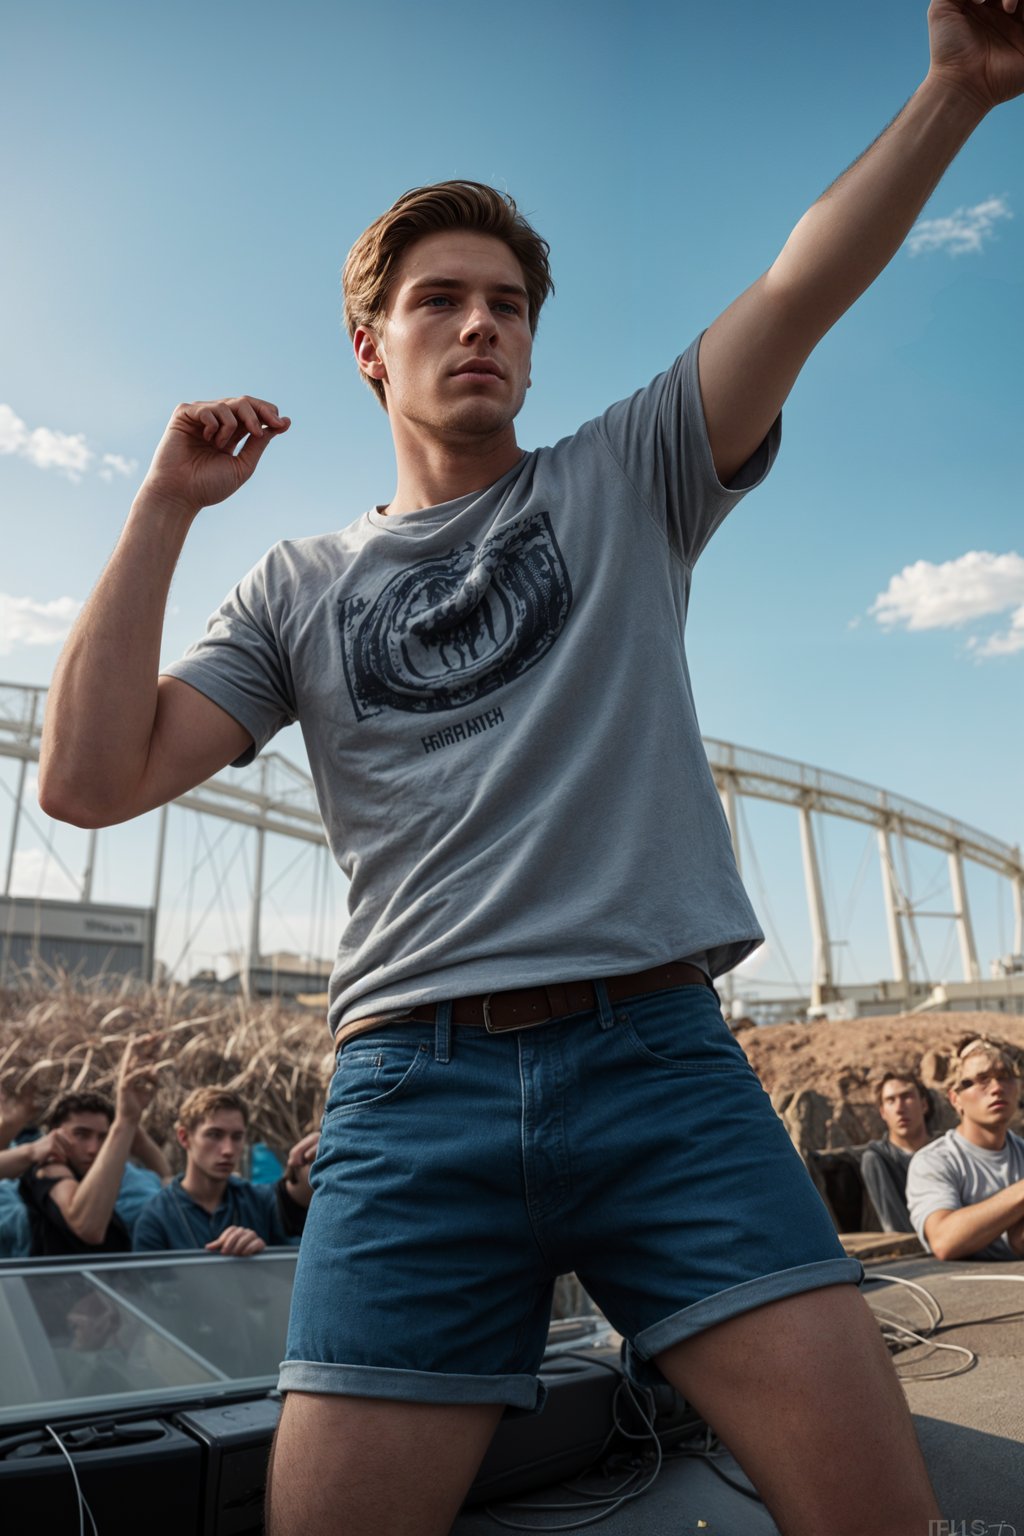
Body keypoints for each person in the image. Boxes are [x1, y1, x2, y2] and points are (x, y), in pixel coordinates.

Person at [37, 4, 1024, 1530]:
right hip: (409, 1096)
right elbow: (90, 783)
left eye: (507, 303)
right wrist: (165, 508)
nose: (481, 324)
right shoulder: (294, 585)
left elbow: (797, 287)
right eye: (441, 302)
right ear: (371, 347)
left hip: (661, 1067)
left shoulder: (628, 476)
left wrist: (956, 91)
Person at [17, 1039, 161, 1257]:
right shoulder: (48, 1167)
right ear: (55, 1133)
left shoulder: (118, 1175)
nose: (93, 1149)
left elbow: (166, 1175)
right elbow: (87, 1226)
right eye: (81, 1135)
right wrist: (126, 1121)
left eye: (103, 1137)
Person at [132, 1087, 315, 1254]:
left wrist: (320, 1153)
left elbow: (295, 1194)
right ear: (184, 1137)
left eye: (237, 1137)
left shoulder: (257, 1201)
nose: (228, 1150)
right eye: (214, 1135)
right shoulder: (156, 1218)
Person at [906, 1039, 1024, 1261]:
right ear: (955, 1098)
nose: (997, 1088)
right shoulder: (934, 1162)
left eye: (1005, 1076)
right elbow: (944, 1240)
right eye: (981, 1080)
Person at [860, 1069, 935, 1233]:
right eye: (890, 1100)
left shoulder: (944, 1149)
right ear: (883, 1112)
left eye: (907, 1097)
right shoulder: (878, 1159)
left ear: (924, 1104)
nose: (900, 1108)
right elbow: (896, 1228)